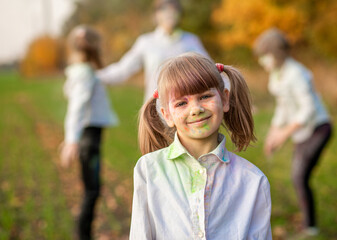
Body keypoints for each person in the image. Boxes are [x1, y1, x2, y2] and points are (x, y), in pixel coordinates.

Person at [130, 52, 272, 240]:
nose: (196, 109)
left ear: (225, 99)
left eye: (205, 96)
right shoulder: (148, 169)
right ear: (167, 115)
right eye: (181, 103)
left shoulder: (253, 181)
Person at [253, 28, 333, 236]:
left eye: (264, 56)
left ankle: (310, 227)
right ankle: (309, 223)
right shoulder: (276, 75)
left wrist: (284, 134)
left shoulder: (296, 73)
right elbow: (283, 106)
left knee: (299, 176)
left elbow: (308, 109)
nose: (261, 62)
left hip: (318, 129)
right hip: (303, 132)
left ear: (277, 54)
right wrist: (273, 133)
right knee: (299, 177)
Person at [60, 25, 118, 240]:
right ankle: (83, 236)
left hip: (87, 136)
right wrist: (71, 141)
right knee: (92, 190)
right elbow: (77, 106)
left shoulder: (82, 70)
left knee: (91, 189)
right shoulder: (85, 73)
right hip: (88, 138)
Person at [96, 0, 210, 102]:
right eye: (164, 10)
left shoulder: (191, 40)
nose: (169, 14)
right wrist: (96, 77)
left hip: (184, 107)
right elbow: (123, 69)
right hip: (155, 108)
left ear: (180, 14)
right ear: (156, 15)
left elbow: (209, 69)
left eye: (173, 10)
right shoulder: (146, 42)